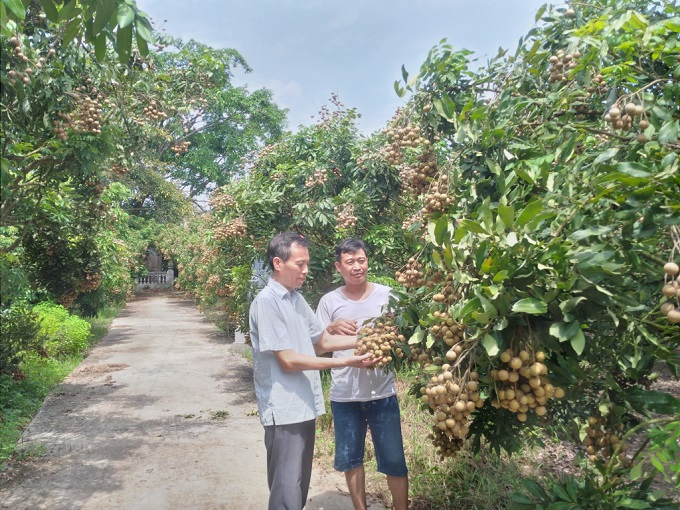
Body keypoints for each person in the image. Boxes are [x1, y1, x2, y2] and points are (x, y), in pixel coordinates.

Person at [248, 231, 378, 510]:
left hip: (303, 406)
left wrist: (366, 339)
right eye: (300, 264)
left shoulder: (295, 299)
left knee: (297, 488)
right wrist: (345, 362)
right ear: (278, 263)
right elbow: (289, 360)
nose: (306, 271)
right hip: (284, 409)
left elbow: (323, 342)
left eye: (307, 264)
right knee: (286, 492)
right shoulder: (268, 302)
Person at [316, 238, 409, 510]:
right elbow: (317, 346)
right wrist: (331, 328)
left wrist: (393, 338)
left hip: (383, 392)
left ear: (367, 261)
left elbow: (405, 335)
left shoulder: (388, 295)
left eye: (361, 260)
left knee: (394, 460)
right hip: (345, 396)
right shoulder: (329, 301)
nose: (357, 267)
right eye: (350, 262)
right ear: (338, 267)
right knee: (351, 459)